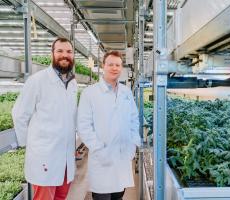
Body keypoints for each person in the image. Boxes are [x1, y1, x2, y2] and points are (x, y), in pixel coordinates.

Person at [12, 37, 77, 200]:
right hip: (45, 157)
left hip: (66, 158)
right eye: (60, 51)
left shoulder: (72, 83)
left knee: (61, 197)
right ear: (52, 54)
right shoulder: (37, 81)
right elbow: (19, 114)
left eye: (69, 52)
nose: (65, 55)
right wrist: (31, 146)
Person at [77, 51, 140, 200]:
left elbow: (134, 119)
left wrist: (133, 144)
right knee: (102, 196)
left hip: (122, 157)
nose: (114, 68)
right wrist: (99, 149)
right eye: (110, 64)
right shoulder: (90, 93)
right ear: (103, 66)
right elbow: (84, 126)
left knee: (119, 195)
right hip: (102, 158)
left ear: (121, 68)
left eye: (118, 65)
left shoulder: (126, 92)